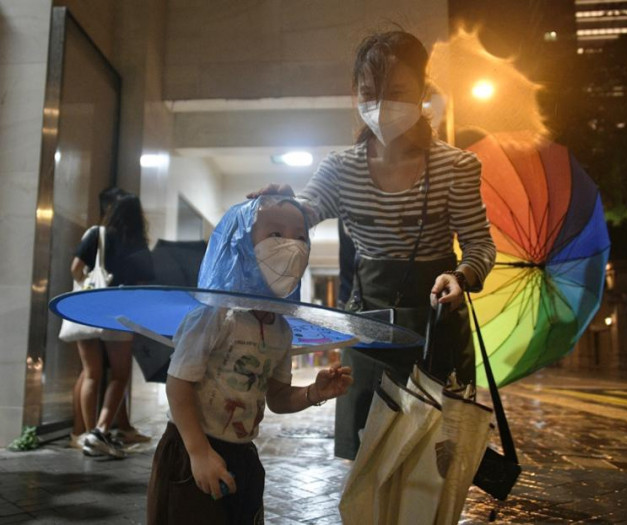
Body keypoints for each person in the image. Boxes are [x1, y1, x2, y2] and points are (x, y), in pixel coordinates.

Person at [249, 30, 496, 460]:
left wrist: (460, 277)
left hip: (435, 322)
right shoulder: (340, 168)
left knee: (433, 463)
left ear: (422, 90)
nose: (381, 105)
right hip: (366, 323)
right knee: (369, 458)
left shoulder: (455, 166)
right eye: (369, 92)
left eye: (397, 91)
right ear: (355, 96)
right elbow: (306, 211)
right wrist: (282, 205)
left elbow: (479, 244)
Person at [146, 196, 353, 525]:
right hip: (190, 448)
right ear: (241, 245)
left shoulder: (281, 330)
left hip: (242, 453)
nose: (292, 246)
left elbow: (278, 397)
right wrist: (198, 453)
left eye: (301, 237)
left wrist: (314, 393)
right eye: (275, 234)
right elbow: (178, 384)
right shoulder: (214, 314)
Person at [71, 194, 155, 458]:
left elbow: (75, 268)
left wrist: (89, 287)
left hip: (89, 308)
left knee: (91, 372)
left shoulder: (97, 234)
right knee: (119, 375)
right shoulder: (139, 245)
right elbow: (143, 286)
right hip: (120, 313)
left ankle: (86, 435)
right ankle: (101, 430)